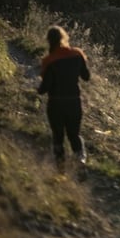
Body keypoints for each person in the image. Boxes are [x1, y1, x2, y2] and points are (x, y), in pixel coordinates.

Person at [37, 25, 90, 172]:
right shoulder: (77, 54)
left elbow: (44, 89)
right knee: (74, 135)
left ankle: (60, 170)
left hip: (56, 103)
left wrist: (38, 86)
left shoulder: (49, 61)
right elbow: (86, 77)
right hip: (74, 102)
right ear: (64, 37)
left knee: (58, 136)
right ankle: (80, 161)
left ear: (48, 41)